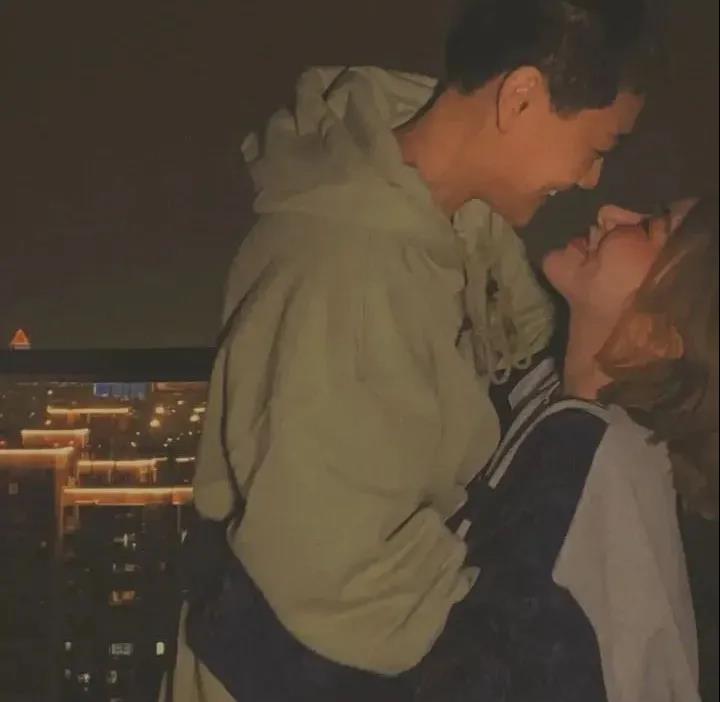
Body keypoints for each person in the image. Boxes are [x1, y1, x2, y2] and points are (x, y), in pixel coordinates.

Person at [164, 1, 660, 699]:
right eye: (598, 147)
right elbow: (340, 594)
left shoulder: (456, 222)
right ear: (521, 97)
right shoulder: (348, 278)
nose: (590, 180)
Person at [415, 196, 718, 702]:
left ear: (659, 335)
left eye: (650, 228)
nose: (610, 212)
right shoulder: (560, 403)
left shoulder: (583, 474)